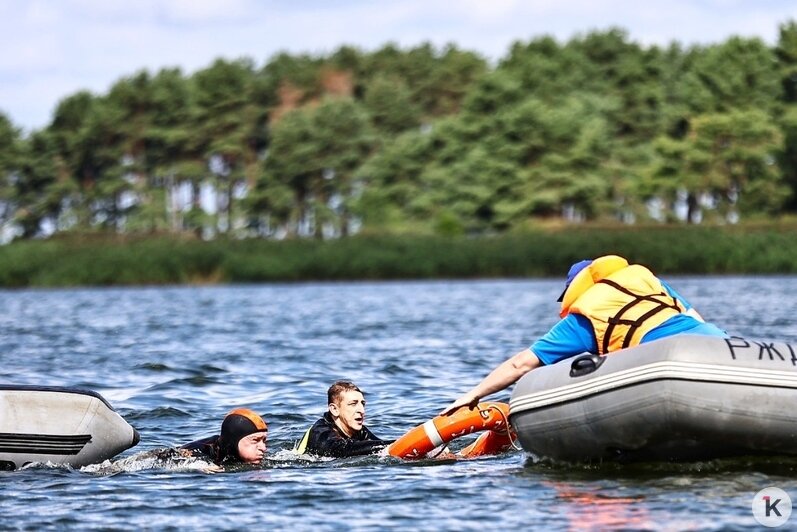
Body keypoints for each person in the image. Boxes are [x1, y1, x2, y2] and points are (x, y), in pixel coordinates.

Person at [442, 254, 728, 415]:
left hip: (669, 367)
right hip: (719, 347)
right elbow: (696, 321)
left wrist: (473, 394)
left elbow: (521, 364)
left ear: (576, 291)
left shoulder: (585, 317)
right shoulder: (650, 283)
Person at [295, 380, 391, 458]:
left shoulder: (360, 431)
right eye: (353, 404)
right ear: (334, 409)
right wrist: (388, 445)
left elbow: (377, 444)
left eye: (363, 404)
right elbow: (342, 450)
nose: (361, 410)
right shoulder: (321, 432)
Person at [181, 407, 268, 466]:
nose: (263, 448)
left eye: (264, 440)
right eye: (255, 440)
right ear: (234, 441)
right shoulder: (199, 453)